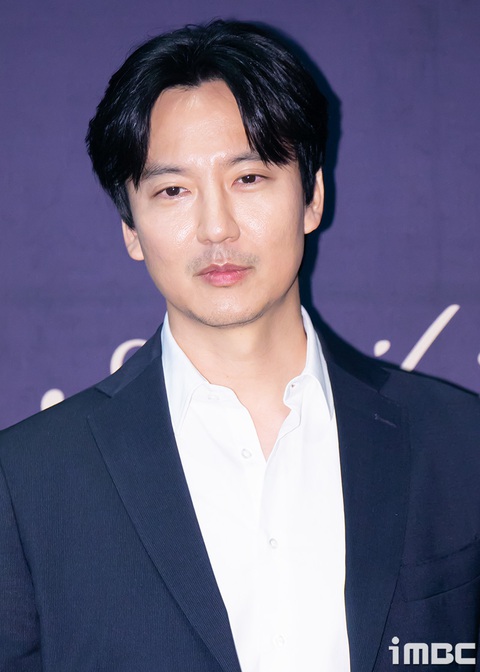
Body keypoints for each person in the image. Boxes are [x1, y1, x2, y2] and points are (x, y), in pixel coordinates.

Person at [1, 19, 479, 672]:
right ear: (131, 228)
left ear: (312, 197)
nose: (216, 227)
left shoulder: (458, 442)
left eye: (248, 178)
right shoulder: (29, 482)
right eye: (173, 190)